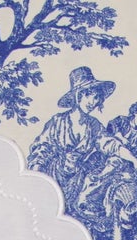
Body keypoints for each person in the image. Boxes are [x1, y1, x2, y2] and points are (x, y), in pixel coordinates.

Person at [27, 66, 115, 215]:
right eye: (88, 95)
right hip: (54, 176)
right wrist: (34, 180)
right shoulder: (58, 121)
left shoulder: (94, 125)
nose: (92, 102)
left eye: (96, 97)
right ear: (77, 96)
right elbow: (41, 149)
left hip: (78, 182)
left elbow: (110, 144)